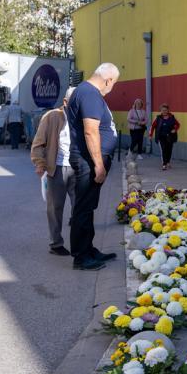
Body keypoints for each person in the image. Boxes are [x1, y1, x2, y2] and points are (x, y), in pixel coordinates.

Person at [67, 63, 120, 271]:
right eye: (114, 83)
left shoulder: (86, 91)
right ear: (108, 80)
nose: (112, 88)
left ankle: (88, 249)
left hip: (89, 159)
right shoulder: (90, 94)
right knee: (83, 208)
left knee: (88, 207)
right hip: (88, 160)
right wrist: (99, 164)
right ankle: (81, 257)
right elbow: (91, 131)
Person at [31, 87, 77, 256]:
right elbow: (38, 143)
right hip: (56, 167)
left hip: (77, 167)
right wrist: (40, 163)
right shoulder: (52, 117)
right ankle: (56, 243)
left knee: (80, 206)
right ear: (65, 102)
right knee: (55, 208)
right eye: (75, 102)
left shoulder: (81, 117)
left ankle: (79, 243)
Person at [150, 104, 180, 171]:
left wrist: (174, 129)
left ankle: (168, 162)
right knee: (163, 150)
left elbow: (177, 124)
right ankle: (164, 164)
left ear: (168, 110)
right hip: (161, 137)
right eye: (163, 110)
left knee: (169, 150)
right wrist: (150, 135)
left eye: (165, 110)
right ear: (160, 111)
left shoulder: (172, 117)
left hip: (170, 136)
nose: (164, 111)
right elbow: (152, 127)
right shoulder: (158, 118)